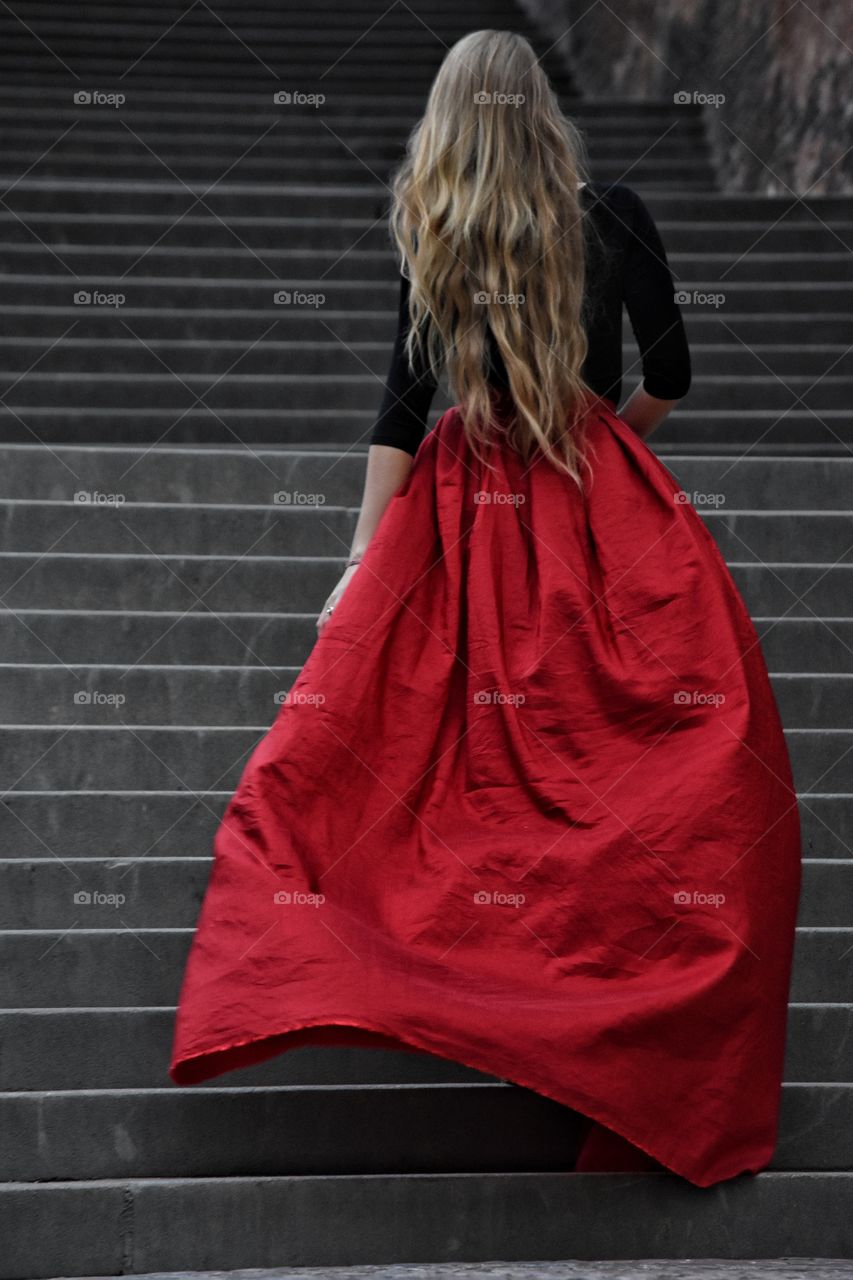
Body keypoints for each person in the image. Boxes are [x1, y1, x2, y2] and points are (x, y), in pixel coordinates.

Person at [170, 30, 801, 1188]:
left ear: (451, 118)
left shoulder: (440, 228)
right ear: (543, 112)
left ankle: (473, 993)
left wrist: (361, 558)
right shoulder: (612, 215)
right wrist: (609, 443)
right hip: (598, 501)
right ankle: (611, 1034)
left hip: (465, 510)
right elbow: (672, 372)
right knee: (621, 770)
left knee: (454, 768)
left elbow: (402, 405)